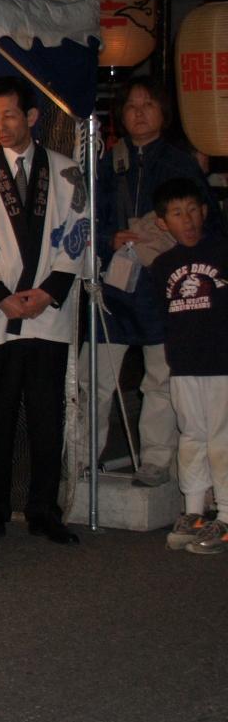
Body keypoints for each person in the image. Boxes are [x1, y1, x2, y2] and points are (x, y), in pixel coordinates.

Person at [0, 75, 87, 546]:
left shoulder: (67, 173)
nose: (1, 125)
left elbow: (78, 236)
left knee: (47, 417)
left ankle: (44, 510)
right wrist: (0, 296)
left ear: (31, 116)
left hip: (48, 312)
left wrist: (48, 292)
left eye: (9, 115)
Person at [86, 79, 221, 485]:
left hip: (168, 287)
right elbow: (83, 219)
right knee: (93, 378)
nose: (139, 112)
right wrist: (109, 238)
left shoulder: (181, 163)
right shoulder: (106, 162)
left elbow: (209, 225)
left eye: (148, 104)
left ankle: (156, 461)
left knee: (160, 380)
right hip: (113, 286)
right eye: (131, 106)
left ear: (164, 112)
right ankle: (81, 458)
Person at [148, 178, 228, 555]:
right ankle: (194, 511)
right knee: (191, 435)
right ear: (163, 222)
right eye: (178, 213)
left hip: (221, 364)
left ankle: (225, 515)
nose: (188, 220)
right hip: (184, 365)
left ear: (205, 211)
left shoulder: (223, 251)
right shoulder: (163, 265)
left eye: (193, 210)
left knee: (222, 438)